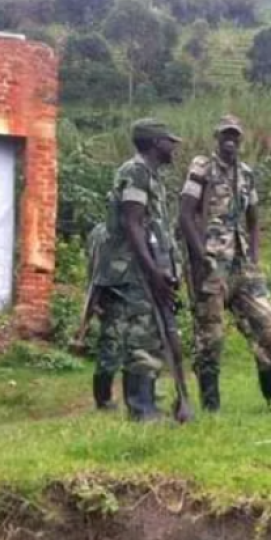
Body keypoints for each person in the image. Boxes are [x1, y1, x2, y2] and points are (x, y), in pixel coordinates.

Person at [179, 115, 271, 412]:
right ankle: (211, 406)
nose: (230, 140)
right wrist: (199, 255)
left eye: (235, 135)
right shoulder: (202, 167)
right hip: (211, 263)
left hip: (242, 264)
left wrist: (255, 255)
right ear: (217, 137)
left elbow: (253, 218)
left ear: (240, 139)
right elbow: (185, 214)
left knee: (267, 326)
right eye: (225, 134)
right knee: (210, 337)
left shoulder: (247, 174)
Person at [93, 118, 183, 422]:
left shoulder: (150, 175)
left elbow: (153, 228)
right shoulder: (135, 172)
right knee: (141, 336)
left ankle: (147, 402)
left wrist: (166, 268)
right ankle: (142, 409)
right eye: (170, 141)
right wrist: (153, 272)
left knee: (152, 333)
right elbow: (132, 224)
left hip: (146, 268)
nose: (173, 147)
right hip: (132, 271)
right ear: (156, 143)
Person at [86, 222, 122, 411]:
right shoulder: (104, 232)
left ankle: (106, 397)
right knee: (110, 347)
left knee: (113, 345)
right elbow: (96, 268)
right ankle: (103, 399)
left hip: (111, 293)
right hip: (111, 294)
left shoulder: (99, 230)